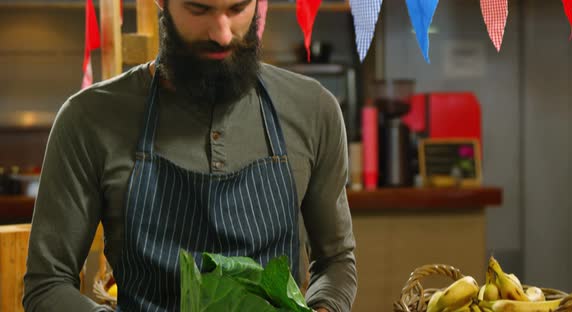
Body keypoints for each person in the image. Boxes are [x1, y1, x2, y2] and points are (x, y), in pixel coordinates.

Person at [23, 0, 357, 311]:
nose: (222, 33)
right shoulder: (89, 118)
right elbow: (48, 284)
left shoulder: (313, 110)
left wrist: (324, 306)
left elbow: (335, 261)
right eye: (199, 9)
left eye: (238, 8)